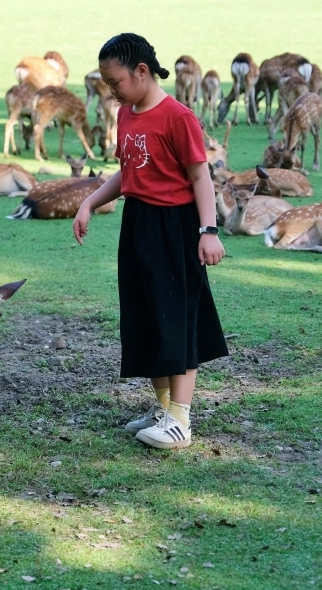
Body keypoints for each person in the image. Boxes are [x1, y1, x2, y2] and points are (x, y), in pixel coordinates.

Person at [73, 33, 228, 450]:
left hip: (176, 227)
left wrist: (208, 232)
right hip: (138, 223)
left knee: (177, 318)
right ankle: (163, 407)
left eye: (116, 82)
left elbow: (201, 178)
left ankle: (180, 419)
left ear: (142, 71)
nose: (111, 91)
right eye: (107, 83)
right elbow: (129, 172)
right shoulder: (127, 115)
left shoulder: (178, 117)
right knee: (145, 317)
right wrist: (90, 201)